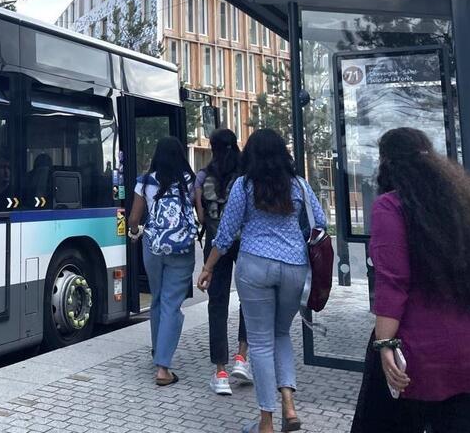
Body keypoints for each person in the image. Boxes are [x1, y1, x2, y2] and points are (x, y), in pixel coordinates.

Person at [351, 127, 470, 433]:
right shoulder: (466, 203)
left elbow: (394, 283)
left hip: (426, 355)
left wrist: (384, 345)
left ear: (387, 163)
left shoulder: (390, 206)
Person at [197, 128, 326, 433]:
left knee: (261, 343)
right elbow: (319, 223)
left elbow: (226, 234)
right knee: (281, 335)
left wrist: (208, 267)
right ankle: (289, 406)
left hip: (254, 266)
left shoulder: (244, 186)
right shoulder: (299, 186)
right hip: (294, 267)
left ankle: (266, 422)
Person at [127, 135, 197, 386]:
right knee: (171, 303)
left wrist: (135, 234)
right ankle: (163, 368)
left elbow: (134, 219)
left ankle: (158, 350)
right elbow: (197, 213)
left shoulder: (144, 181)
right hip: (181, 249)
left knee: (157, 299)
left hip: (153, 247)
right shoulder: (189, 180)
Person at [194, 128, 251, 395]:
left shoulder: (204, 176)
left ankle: (220, 372)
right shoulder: (245, 176)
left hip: (215, 246)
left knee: (217, 305)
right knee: (248, 299)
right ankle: (242, 357)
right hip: (244, 243)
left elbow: (202, 217)